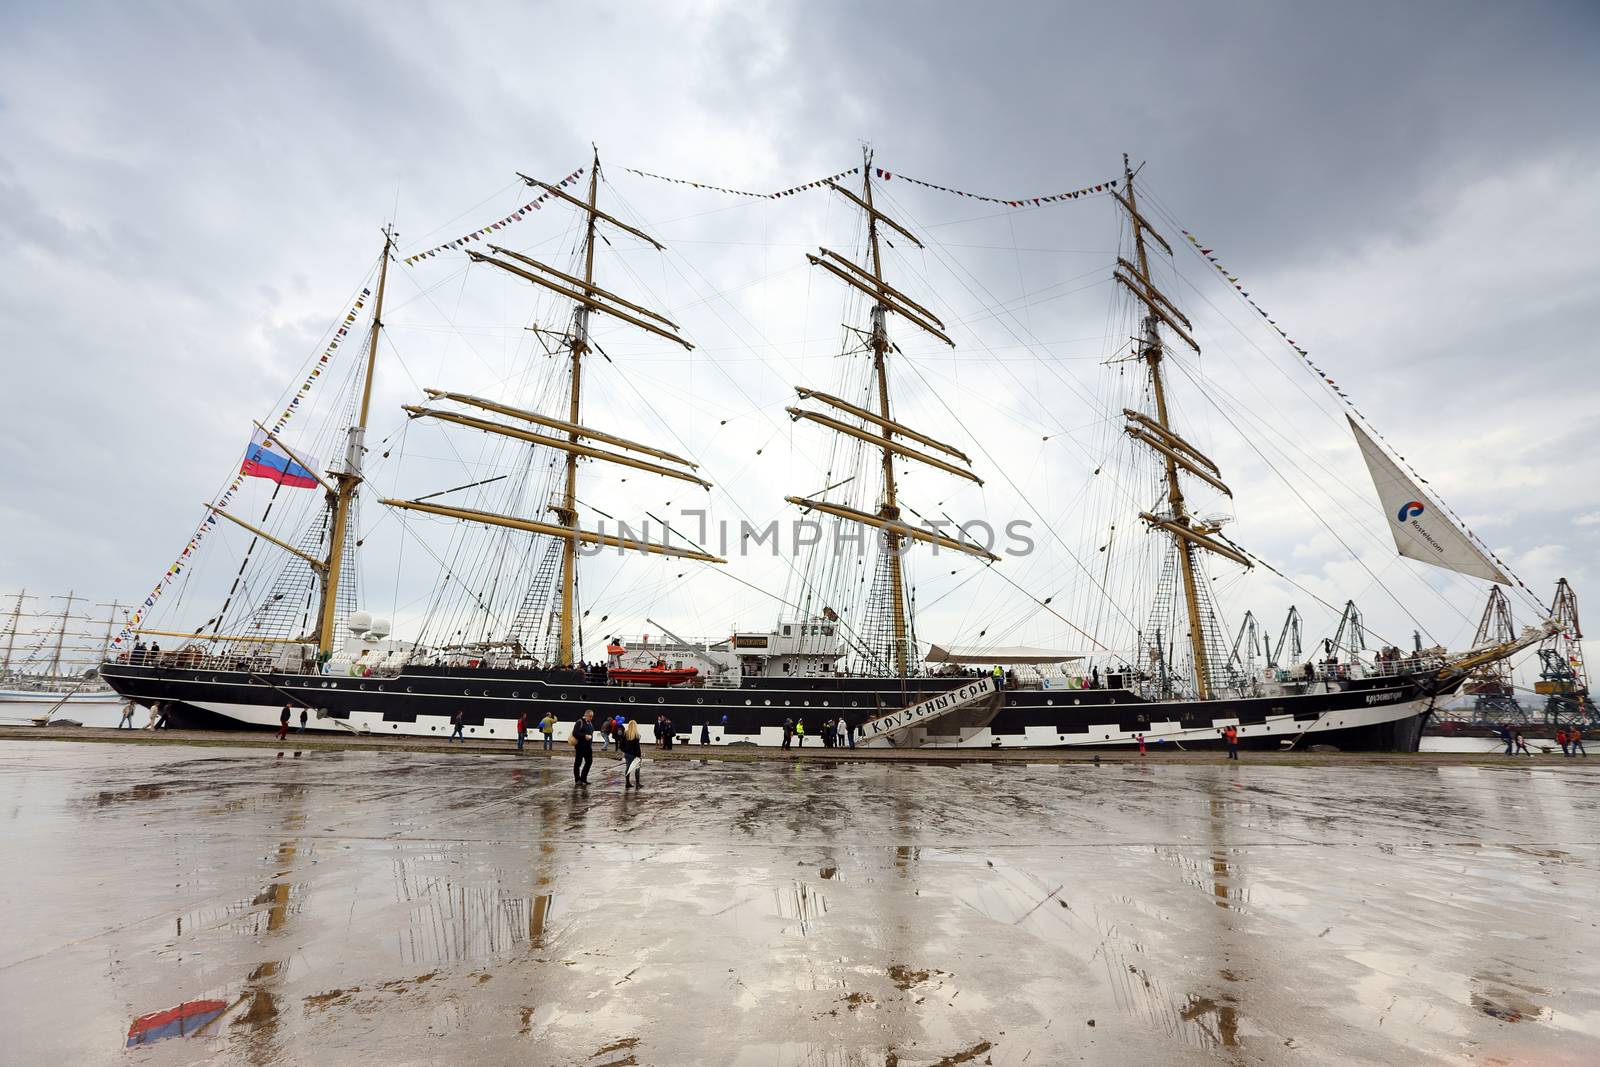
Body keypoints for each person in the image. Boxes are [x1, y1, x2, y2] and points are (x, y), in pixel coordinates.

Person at [572, 709, 596, 784]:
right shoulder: (579, 722)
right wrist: (584, 736)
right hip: (580, 746)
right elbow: (575, 733)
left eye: (592, 716)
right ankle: (577, 779)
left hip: (588, 747)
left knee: (589, 762)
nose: (591, 718)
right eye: (590, 716)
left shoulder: (590, 723)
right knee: (578, 763)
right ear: (586, 715)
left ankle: (583, 778)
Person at [621, 719, 644, 788]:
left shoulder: (625, 734)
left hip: (627, 754)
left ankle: (627, 783)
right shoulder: (636, 735)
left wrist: (625, 750)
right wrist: (639, 756)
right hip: (634, 754)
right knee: (637, 768)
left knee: (628, 768)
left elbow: (621, 745)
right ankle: (637, 784)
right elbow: (637, 748)